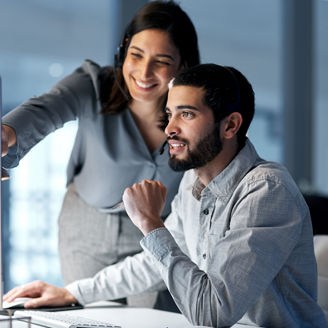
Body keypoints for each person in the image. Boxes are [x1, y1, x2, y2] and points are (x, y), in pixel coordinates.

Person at [4, 64, 327, 327]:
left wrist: (149, 223)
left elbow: (212, 313)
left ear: (230, 126)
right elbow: (153, 264)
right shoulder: (193, 181)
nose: (169, 127)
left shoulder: (265, 191)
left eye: (186, 114)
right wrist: (73, 292)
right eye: (170, 113)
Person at [1, 1, 199, 309]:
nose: (144, 72)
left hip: (154, 231)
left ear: (183, 65)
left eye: (161, 61)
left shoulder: (193, 115)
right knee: (92, 314)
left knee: (152, 318)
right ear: (123, 50)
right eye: (136, 55)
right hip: (87, 228)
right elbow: (47, 108)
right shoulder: (94, 84)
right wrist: (8, 131)